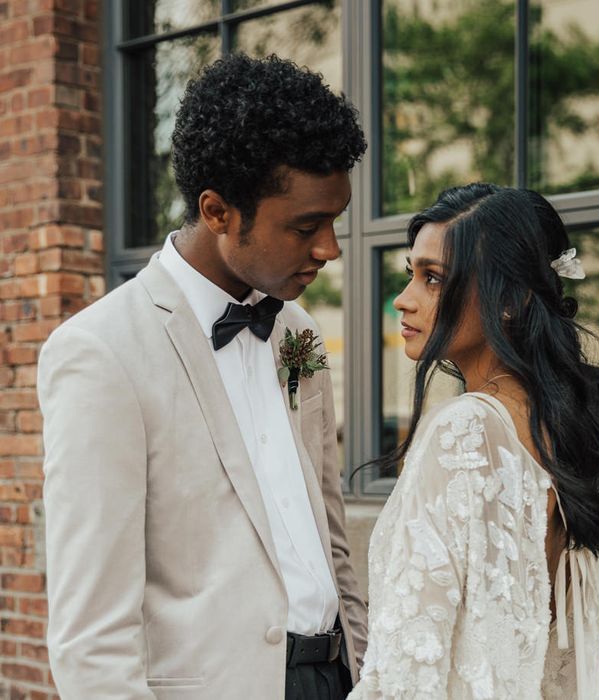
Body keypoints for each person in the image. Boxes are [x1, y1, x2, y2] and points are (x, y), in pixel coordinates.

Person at [38, 53, 367, 700]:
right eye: (306, 226)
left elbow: (332, 539)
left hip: (339, 677)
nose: (330, 248)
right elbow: (90, 640)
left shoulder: (298, 332)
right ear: (218, 212)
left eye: (334, 222)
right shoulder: (101, 354)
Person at [348, 183, 599, 699]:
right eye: (409, 274)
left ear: (511, 299)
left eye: (433, 279)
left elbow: (410, 669)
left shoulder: (464, 430)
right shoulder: (557, 428)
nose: (403, 300)